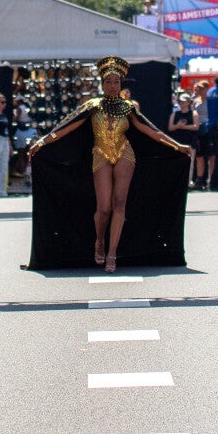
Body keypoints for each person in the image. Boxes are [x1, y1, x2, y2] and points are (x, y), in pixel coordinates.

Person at [26, 56, 191, 272]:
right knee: (104, 207)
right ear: (102, 84)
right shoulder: (93, 106)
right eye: (108, 82)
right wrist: (41, 142)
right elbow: (66, 126)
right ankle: (100, 241)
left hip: (125, 154)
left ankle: (112, 252)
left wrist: (178, 146)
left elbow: (151, 130)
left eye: (116, 82)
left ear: (121, 84)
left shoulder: (128, 108)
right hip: (101, 154)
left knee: (119, 203)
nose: (112, 86)